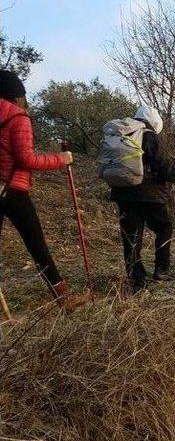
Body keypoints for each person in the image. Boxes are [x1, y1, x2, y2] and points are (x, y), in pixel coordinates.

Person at [0, 70, 87, 311]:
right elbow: (27, 160)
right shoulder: (18, 118)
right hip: (12, 190)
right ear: (17, 95)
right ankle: (63, 299)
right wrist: (62, 159)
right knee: (37, 245)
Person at [111, 105, 175, 293]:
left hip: (123, 193)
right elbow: (163, 167)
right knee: (164, 228)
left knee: (131, 237)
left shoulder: (121, 134)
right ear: (154, 121)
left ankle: (137, 280)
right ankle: (161, 269)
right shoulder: (149, 136)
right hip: (150, 195)